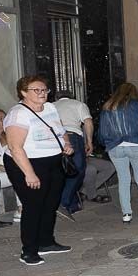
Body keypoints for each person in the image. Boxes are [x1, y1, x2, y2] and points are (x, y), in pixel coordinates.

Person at [3, 76, 75, 266]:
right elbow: (15, 147)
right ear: (23, 92)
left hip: (53, 160)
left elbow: (60, 130)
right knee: (34, 206)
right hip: (28, 163)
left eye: (44, 90)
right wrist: (29, 173)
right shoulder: (18, 114)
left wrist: (66, 144)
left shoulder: (50, 108)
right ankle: (28, 250)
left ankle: (46, 241)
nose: (42, 94)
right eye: (37, 90)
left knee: (50, 204)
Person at [98, 83, 138, 223]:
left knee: (123, 179)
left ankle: (126, 213)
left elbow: (102, 131)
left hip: (116, 146)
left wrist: (106, 142)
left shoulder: (108, 107)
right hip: (137, 144)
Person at [53, 91, 93, 219]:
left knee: (61, 171)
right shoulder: (79, 105)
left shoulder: (51, 105)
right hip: (72, 136)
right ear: (72, 97)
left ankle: (72, 203)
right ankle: (63, 203)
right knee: (77, 171)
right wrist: (89, 142)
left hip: (53, 139)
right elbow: (88, 123)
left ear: (57, 98)